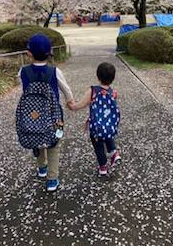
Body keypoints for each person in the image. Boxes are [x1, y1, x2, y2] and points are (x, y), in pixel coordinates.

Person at [18, 34, 74, 192]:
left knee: (36, 137)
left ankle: (42, 168)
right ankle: (52, 179)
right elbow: (66, 90)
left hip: (32, 115)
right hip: (53, 116)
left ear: (29, 53)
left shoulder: (23, 71)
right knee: (53, 145)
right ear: (50, 53)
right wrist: (70, 102)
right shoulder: (55, 72)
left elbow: (23, 90)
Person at [69, 62, 121, 176]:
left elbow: (81, 104)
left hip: (96, 127)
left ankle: (103, 168)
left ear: (98, 77)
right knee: (108, 136)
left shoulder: (93, 91)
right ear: (113, 78)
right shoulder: (114, 93)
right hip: (109, 125)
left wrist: (73, 106)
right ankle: (114, 152)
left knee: (98, 147)